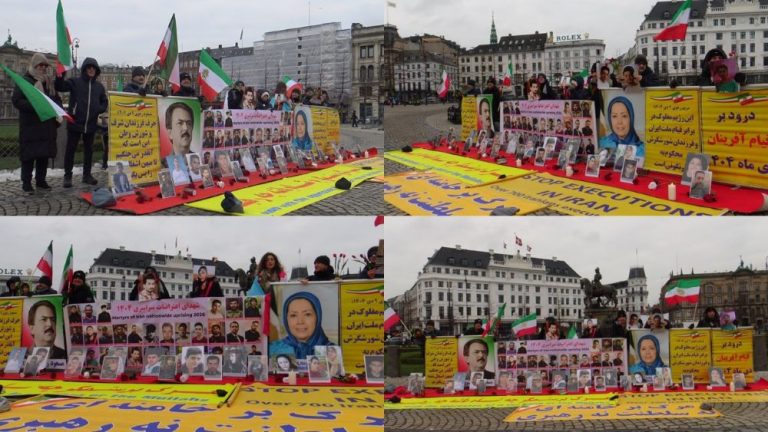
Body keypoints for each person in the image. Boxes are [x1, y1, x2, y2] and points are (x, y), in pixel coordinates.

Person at [54, 57, 107, 188]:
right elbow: (60, 87)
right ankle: (68, 176)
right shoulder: (75, 82)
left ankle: (87, 175)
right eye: (89, 67)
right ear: (84, 69)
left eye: (93, 68)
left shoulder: (99, 87)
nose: (91, 70)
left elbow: (104, 102)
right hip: (75, 122)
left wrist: (98, 109)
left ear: (96, 70)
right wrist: (60, 75)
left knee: (89, 151)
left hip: (91, 123)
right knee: (70, 150)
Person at [12, 53, 61, 193]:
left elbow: (55, 100)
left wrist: (59, 113)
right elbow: (17, 100)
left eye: (45, 65)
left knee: (43, 155)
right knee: (28, 156)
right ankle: (26, 183)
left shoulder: (49, 82)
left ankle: (41, 180)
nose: (43, 68)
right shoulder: (25, 81)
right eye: (41, 65)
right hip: (31, 125)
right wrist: (36, 106)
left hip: (46, 125)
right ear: (34, 65)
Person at [269, 291, 331, 358]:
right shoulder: (274, 349)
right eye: (293, 315)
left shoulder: (332, 351)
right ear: (286, 320)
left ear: (318, 317)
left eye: (307, 314)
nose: (300, 321)